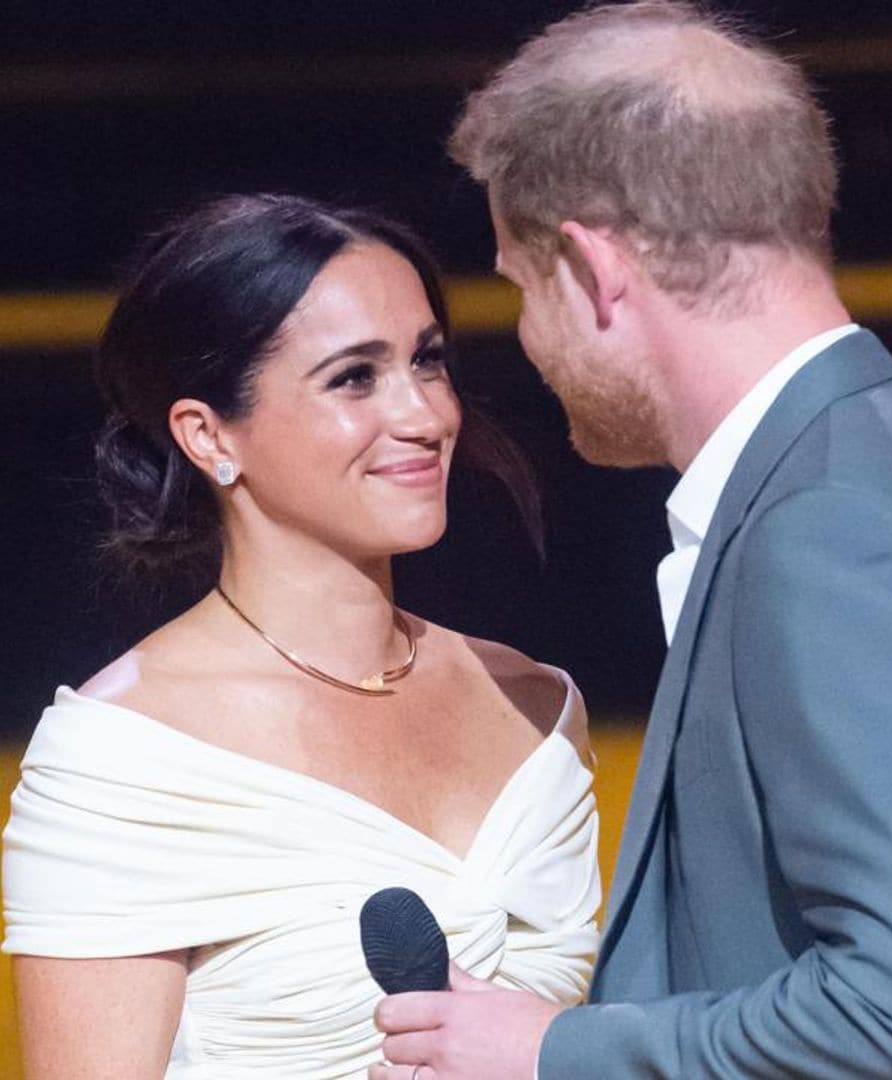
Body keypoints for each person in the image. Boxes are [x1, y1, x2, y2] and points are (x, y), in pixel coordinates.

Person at [370, 3, 892, 1078]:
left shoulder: (831, 530)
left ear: (595, 270)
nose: (526, 339)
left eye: (519, 289)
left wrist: (558, 1052)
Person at [1, 193, 601, 1078]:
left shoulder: (538, 706)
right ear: (209, 436)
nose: (425, 416)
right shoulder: (120, 763)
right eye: (354, 377)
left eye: (427, 362)